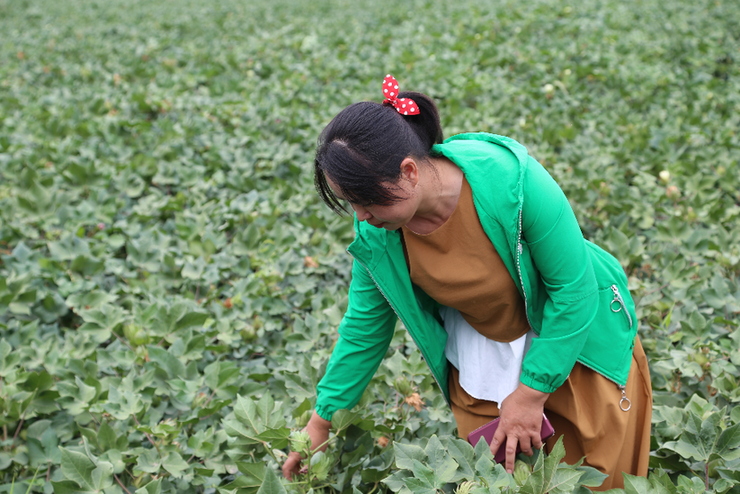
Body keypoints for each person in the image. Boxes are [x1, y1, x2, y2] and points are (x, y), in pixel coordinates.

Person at [282, 75, 652, 490]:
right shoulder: (379, 233)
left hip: (578, 346)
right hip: (485, 361)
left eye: (367, 200)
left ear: (408, 172)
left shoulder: (508, 180)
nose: (361, 216)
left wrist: (531, 394)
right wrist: (321, 421)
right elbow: (364, 330)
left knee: (597, 480)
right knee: (495, 480)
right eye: (350, 203)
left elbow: (575, 289)